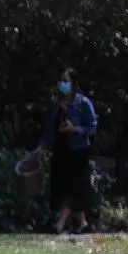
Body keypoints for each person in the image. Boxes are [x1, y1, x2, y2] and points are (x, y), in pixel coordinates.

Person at [36, 67, 99, 234]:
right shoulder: (56, 104)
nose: (62, 84)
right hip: (60, 151)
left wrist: (74, 129)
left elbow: (92, 126)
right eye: (61, 81)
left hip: (77, 151)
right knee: (64, 187)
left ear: (73, 83)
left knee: (71, 186)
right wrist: (42, 147)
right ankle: (83, 223)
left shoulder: (83, 103)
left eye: (66, 81)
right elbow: (49, 129)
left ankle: (60, 224)